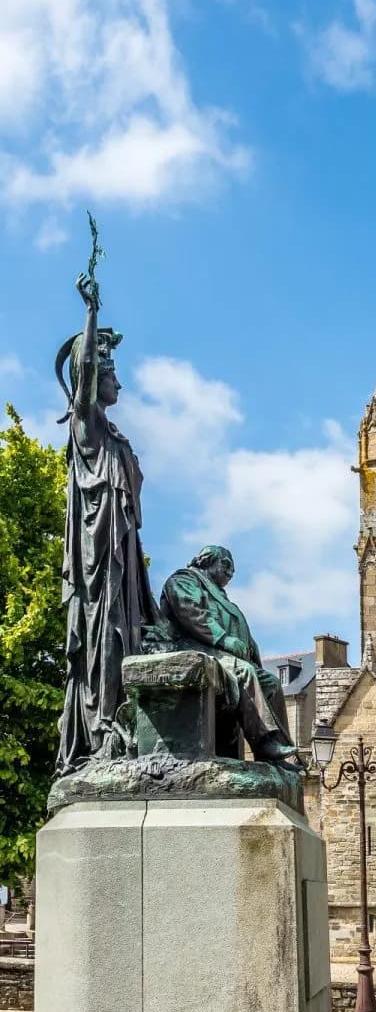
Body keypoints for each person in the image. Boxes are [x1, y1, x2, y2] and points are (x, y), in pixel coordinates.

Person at [54, 234, 157, 775]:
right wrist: (91, 313)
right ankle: (102, 731)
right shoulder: (87, 426)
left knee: (130, 635)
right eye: (111, 372)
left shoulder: (112, 438)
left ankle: (123, 727)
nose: (119, 380)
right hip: (98, 567)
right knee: (107, 638)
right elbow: (86, 382)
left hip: (121, 557)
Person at [146, 545, 299, 765]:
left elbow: (240, 630)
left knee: (272, 684)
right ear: (207, 561)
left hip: (222, 655)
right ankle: (264, 743)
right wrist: (223, 639)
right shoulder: (184, 580)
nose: (230, 573)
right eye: (226, 565)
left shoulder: (221, 596)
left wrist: (250, 649)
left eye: (233, 569)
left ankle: (277, 751)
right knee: (244, 673)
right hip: (194, 648)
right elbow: (191, 612)